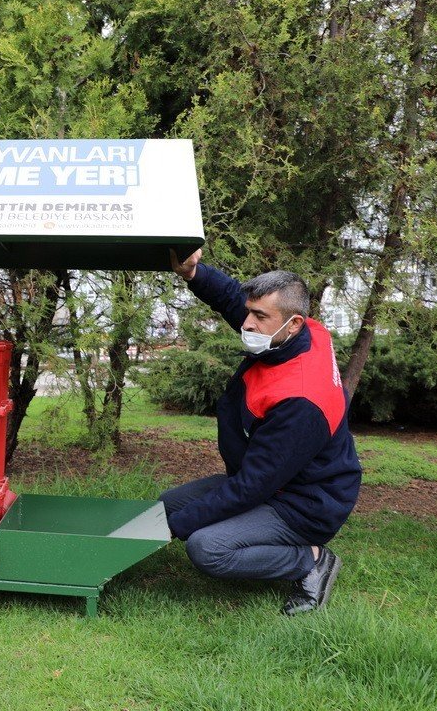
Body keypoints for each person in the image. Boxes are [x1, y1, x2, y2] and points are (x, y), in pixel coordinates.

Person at [162, 247, 361, 614]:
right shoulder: (302, 333)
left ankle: (310, 560)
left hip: (304, 502)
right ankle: (188, 523)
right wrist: (194, 273)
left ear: (294, 322)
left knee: (207, 547)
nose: (247, 324)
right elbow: (233, 300)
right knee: (165, 507)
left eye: (258, 316)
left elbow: (254, 485)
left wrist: (176, 528)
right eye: (249, 313)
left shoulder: (300, 401)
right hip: (278, 479)